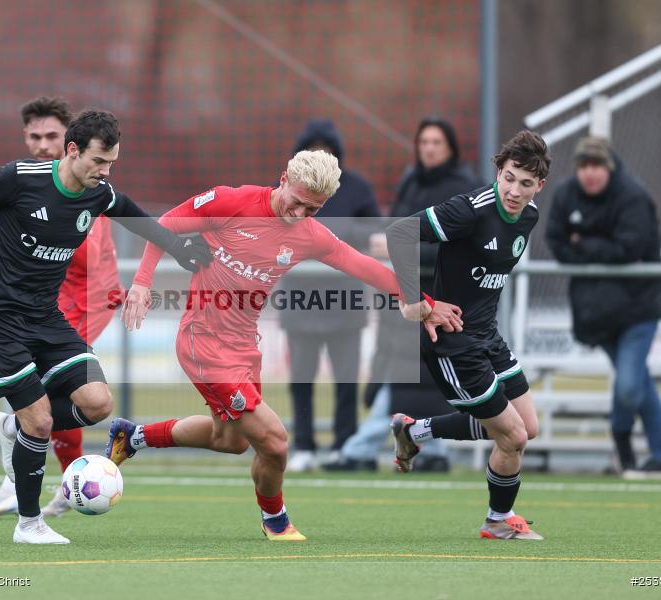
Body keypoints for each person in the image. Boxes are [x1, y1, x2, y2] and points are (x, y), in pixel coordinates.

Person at [109, 150, 463, 541]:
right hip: (203, 342)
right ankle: (275, 521)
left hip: (244, 348)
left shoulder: (309, 233)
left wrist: (423, 302)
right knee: (276, 442)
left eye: (313, 208)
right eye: (297, 201)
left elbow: (362, 265)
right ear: (282, 179)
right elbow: (165, 224)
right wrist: (142, 283)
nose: (300, 213)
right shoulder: (233, 201)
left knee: (229, 440)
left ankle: (132, 436)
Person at [0, 110, 212, 544]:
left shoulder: (99, 194)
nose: (105, 172)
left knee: (97, 403)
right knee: (39, 421)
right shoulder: (18, 178)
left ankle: (16, 428)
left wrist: (179, 248)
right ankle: (29, 524)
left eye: (111, 163)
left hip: (45, 316)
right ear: (73, 151)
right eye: (98, 162)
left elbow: (135, 214)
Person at [0, 97, 125, 520]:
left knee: (51, 404)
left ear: (71, 142)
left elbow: (88, 259)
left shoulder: (86, 187)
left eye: (51, 135)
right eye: (34, 136)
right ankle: (30, 486)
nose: (41, 144)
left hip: (82, 302)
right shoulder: (30, 181)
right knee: (34, 406)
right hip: (41, 305)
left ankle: (42, 482)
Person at [386, 130, 550, 540]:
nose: (514, 191)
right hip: (452, 343)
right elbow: (399, 233)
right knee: (511, 436)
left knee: (527, 427)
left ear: (539, 186)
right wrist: (419, 303)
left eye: (526, 184)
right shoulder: (471, 210)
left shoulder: (528, 215)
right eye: (509, 178)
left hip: (487, 337)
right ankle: (497, 521)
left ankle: (414, 431)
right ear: (499, 171)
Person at [325, 118, 481, 472]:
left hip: (442, 300)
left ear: (450, 148)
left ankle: (371, 449)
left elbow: (456, 249)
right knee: (402, 380)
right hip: (408, 297)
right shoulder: (411, 180)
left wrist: (400, 252)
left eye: (436, 142)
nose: (428, 148)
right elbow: (398, 231)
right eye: (423, 141)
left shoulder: (464, 188)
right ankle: (381, 449)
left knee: (431, 381)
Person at [545, 136, 661, 480]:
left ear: (609, 167)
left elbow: (629, 248)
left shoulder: (633, 196)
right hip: (596, 313)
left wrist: (583, 242)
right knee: (638, 381)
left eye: (597, 166)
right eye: (583, 166)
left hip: (638, 309)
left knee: (629, 385)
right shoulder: (564, 194)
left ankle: (623, 441)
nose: (590, 173)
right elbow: (557, 243)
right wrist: (593, 246)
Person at [278, 119, 383, 472]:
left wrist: (337, 235)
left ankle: (343, 444)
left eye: (328, 148)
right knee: (302, 380)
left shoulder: (357, 188)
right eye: (314, 149)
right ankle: (304, 445)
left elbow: (374, 233)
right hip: (298, 301)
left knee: (347, 379)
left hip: (345, 303)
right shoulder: (288, 190)